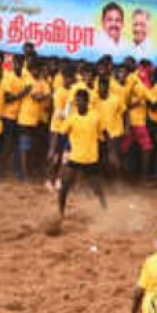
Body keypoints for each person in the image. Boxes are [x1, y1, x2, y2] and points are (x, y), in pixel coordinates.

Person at [58, 89, 107, 219]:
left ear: (86, 102)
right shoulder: (72, 118)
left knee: (98, 189)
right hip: (75, 157)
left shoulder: (95, 117)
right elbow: (62, 134)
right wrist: (62, 152)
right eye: (77, 101)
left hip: (91, 158)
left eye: (80, 101)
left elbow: (103, 135)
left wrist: (105, 152)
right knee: (64, 187)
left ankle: (105, 211)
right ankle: (60, 214)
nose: (78, 104)